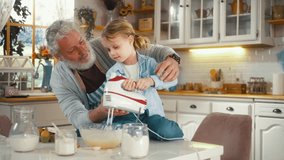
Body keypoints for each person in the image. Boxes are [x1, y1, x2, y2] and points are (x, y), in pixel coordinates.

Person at [46, 20, 181, 136]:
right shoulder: (59, 79)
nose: (83, 51)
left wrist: (172, 59)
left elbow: (153, 50)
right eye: (72, 50)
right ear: (60, 57)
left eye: (82, 42)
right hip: (103, 129)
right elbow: (77, 117)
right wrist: (101, 111)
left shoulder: (103, 45)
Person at [101, 19, 183, 140]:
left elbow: (172, 80)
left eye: (116, 47)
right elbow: (110, 98)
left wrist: (151, 80)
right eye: (108, 49)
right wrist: (122, 90)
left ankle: (146, 132)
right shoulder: (112, 73)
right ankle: (141, 134)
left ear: (130, 40)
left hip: (151, 115)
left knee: (165, 131)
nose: (112, 53)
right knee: (113, 132)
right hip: (127, 117)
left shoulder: (149, 63)